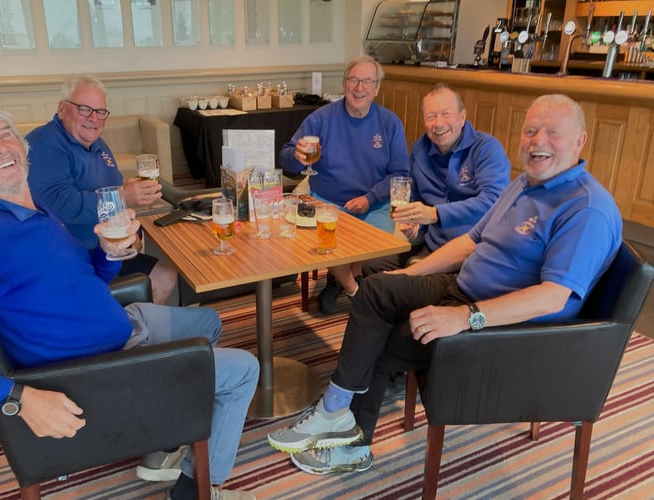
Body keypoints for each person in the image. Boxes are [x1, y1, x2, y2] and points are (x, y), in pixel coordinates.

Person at [0, 103, 258, 500]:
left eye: (5, 133)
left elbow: (83, 274)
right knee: (244, 368)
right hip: (98, 368)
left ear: (22, 145)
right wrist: (16, 398)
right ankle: (194, 486)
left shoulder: (36, 209)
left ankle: (168, 430)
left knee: (208, 322)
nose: (2, 146)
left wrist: (107, 251)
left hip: (121, 324)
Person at [267, 94, 623, 475]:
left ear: (580, 141)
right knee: (377, 288)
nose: (538, 141)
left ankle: (351, 446)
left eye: (553, 133)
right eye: (531, 130)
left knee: (381, 340)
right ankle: (335, 409)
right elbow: (470, 241)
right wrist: (407, 275)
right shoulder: (526, 183)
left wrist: (464, 318)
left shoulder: (586, 209)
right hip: (464, 289)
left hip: (508, 332)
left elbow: (552, 298)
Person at [26, 74, 177, 305]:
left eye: (100, 112)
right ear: (62, 109)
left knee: (165, 275)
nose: (94, 119)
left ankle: (134, 334)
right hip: (71, 260)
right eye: (85, 109)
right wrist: (123, 195)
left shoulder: (97, 144)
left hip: (110, 247)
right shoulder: (46, 144)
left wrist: (133, 236)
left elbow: (115, 199)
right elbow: (56, 202)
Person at [279, 55, 410, 314]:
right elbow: (286, 156)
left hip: (374, 203)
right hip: (326, 199)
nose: (359, 87)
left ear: (377, 88)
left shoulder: (389, 122)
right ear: (344, 83)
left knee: (377, 242)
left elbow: (400, 173)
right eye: (353, 80)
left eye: (367, 81)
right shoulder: (321, 118)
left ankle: (340, 277)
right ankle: (354, 290)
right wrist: (295, 156)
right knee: (326, 239)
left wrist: (370, 198)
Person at [363, 83, 511, 273]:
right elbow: (415, 200)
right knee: (371, 267)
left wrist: (434, 214)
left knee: (402, 286)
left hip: (475, 253)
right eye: (430, 116)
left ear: (462, 117)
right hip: (433, 246)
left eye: (446, 114)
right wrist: (414, 224)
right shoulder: (419, 150)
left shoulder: (486, 149)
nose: (438, 123)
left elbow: (493, 202)